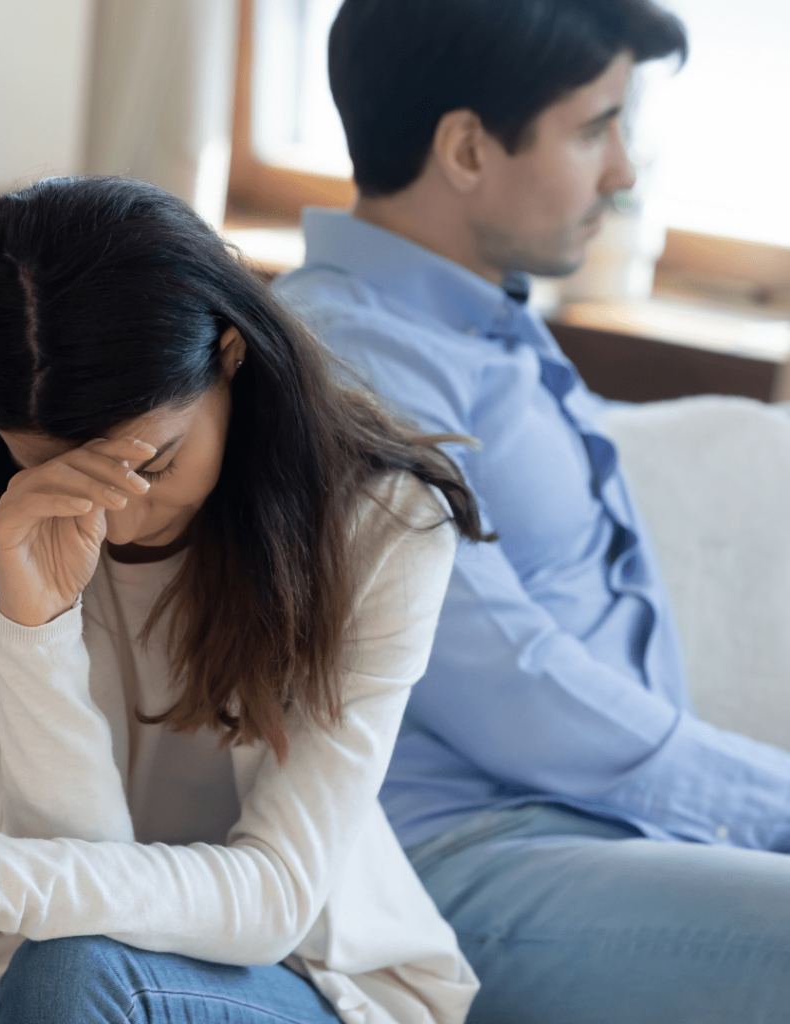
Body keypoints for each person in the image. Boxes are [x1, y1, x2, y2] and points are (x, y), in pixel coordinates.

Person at [0, 176, 487, 1023]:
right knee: (64, 970)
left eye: (151, 464)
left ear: (229, 353)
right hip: (45, 964)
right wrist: (36, 625)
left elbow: (275, 896)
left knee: (75, 975)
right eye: (52, 469)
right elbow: (79, 868)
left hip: (301, 974)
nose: (116, 519)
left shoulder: (381, 528)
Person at [275, 2, 790, 1022]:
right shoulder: (346, 359)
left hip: (610, 845)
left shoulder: (479, 323)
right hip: (469, 859)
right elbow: (501, 675)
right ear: (466, 147)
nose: (622, 171)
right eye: (595, 127)